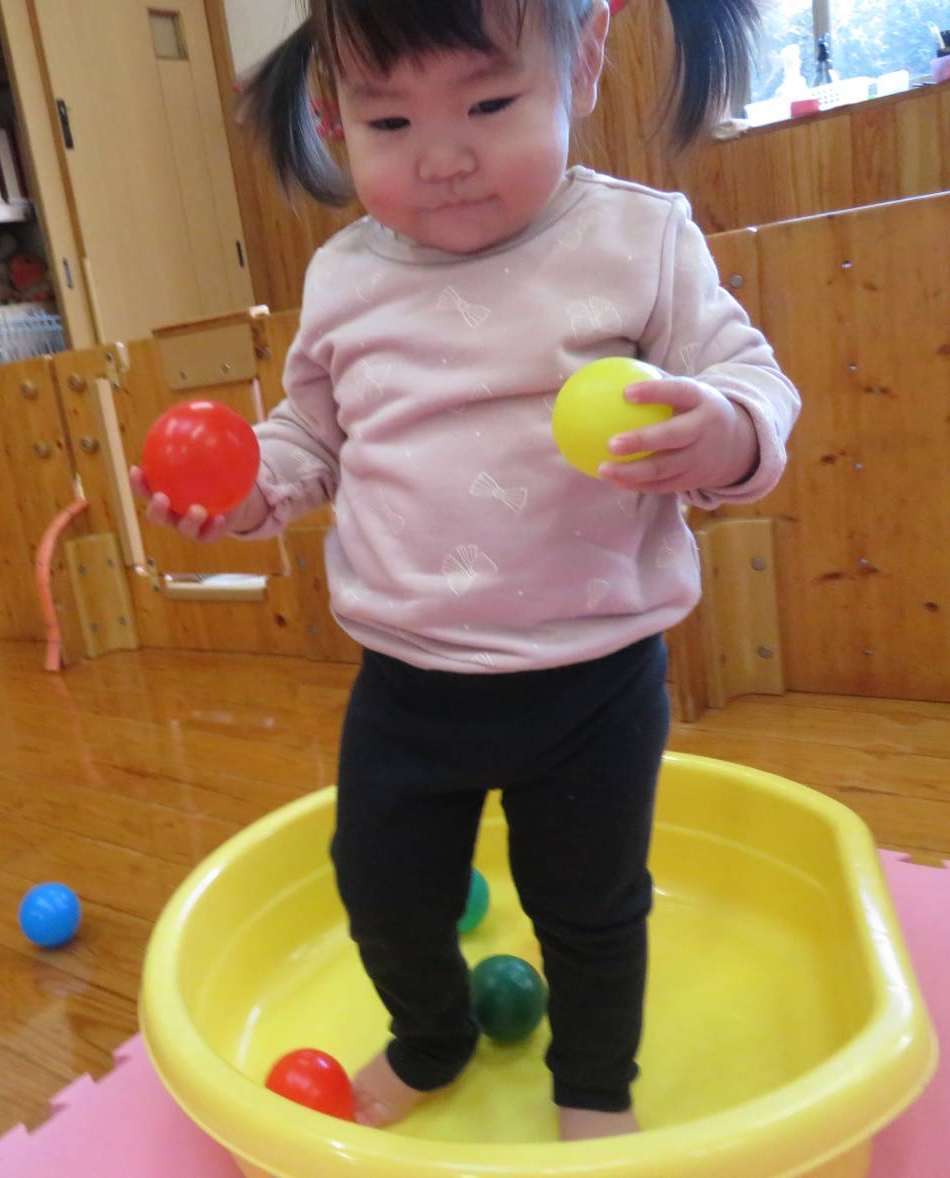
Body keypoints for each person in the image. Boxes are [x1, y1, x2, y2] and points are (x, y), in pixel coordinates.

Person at [132, 0, 798, 1140]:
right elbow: (311, 434)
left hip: (592, 677)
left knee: (590, 907)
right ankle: (430, 1041)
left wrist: (726, 430)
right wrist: (250, 491)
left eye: (489, 104)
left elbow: (751, 377)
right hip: (410, 686)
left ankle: (593, 1085)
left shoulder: (636, 240)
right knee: (383, 893)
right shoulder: (344, 277)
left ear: (582, 61)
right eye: (390, 123)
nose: (441, 159)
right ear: (336, 118)